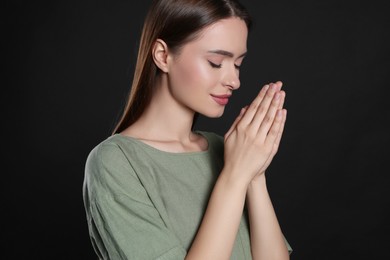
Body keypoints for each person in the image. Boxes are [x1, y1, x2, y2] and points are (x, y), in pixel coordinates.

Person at [83, 0, 293, 259]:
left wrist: (254, 174)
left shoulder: (225, 148)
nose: (234, 81)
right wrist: (235, 177)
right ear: (163, 56)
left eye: (237, 64)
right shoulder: (116, 163)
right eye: (216, 62)